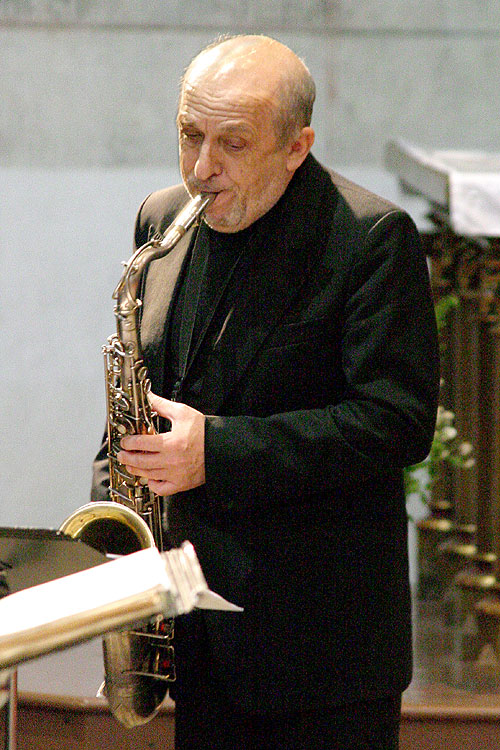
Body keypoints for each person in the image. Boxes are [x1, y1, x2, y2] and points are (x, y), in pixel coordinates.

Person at [92, 34, 440, 750]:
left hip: (320, 658)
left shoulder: (370, 238)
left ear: (296, 146)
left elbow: (397, 421)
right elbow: (137, 392)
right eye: (190, 136)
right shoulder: (162, 219)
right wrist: (115, 520)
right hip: (198, 637)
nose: (200, 169)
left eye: (233, 145)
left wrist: (216, 451)